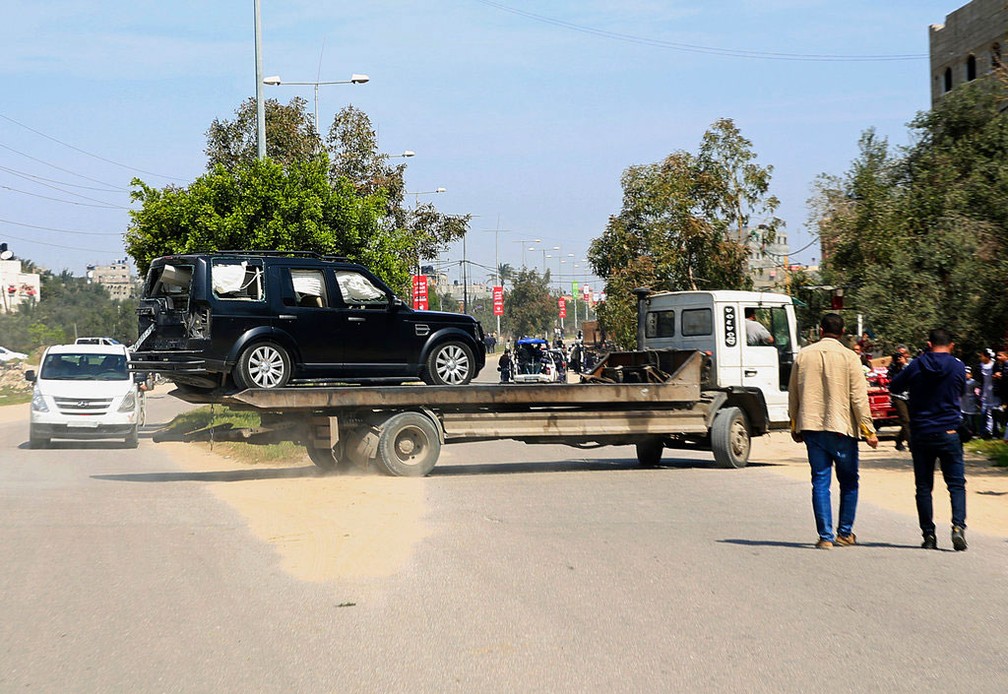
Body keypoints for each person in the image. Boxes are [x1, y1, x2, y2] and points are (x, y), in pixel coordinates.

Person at [788, 313, 878, 549]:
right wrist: (868, 430)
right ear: (843, 332)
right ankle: (845, 533)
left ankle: (825, 536)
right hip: (842, 429)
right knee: (849, 482)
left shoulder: (804, 355)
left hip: (812, 428)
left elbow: (793, 394)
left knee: (820, 481)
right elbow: (859, 398)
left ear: (820, 330)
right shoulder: (850, 357)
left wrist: (794, 424)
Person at [889, 328, 968, 551]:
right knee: (956, 485)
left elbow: (894, 386)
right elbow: (960, 392)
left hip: (921, 432)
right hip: (949, 432)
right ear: (951, 345)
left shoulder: (916, 365)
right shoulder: (957, 366)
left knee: (924, 486)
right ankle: (958, 527)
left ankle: (929, 535)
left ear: (929, 343)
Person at [888, 350, 911, 451]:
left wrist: (904, 364)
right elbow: (893, 380)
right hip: (898, 396)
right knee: (905, 420)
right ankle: (911, 444)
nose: (899, 357)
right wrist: (897, 366)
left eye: (902, 355)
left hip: (910, 395)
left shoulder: (911, 364)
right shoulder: (893, 367)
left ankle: (899, 440)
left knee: (911, 421)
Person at [977, 348, 998, 438]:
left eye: (982, 356)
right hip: (985, 391)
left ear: (987, 356)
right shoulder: (980, 366)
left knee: (994, 413)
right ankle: (983, 432)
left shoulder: (995, 365)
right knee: (983, 413)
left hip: (994, 391)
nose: (980, 358)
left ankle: (995, 432)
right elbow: (979, 379)